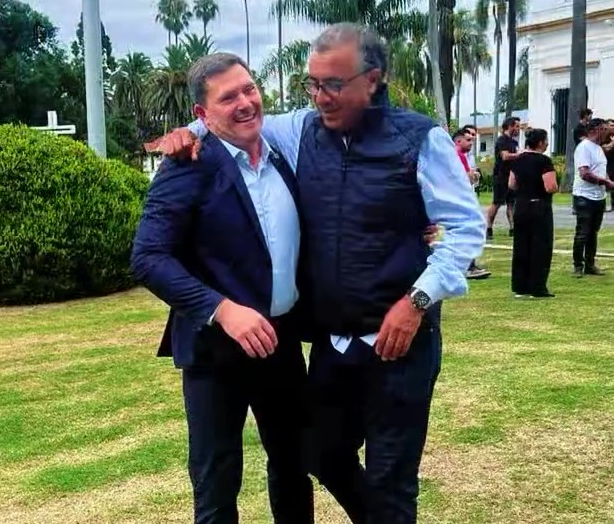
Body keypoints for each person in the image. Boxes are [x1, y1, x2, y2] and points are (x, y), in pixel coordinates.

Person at [158, 23, 486, 524]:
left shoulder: (421, 139)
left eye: (333, 84)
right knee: (320, 454)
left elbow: (465, 228)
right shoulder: (301, 130)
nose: (319, 96)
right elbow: (234, 119)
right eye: (312, 84)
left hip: (399, 342)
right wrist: (190, 132)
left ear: (372, 79)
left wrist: (417, 301)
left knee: (391, 479)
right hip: (333, 345)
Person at [131, 52, 314, 524]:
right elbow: (148, 257)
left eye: (249, 89)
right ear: (203, 113)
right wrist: (223, 309)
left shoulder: (282, 159)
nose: (245, 102)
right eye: (228, 97)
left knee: (294, 469)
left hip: (281, 342)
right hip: (215, 352)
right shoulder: (187, 166)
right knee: (217, 483)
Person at [508, 129, 558, 298]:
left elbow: (512, 184)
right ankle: (537, 286)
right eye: (546, 140)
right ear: (541, 142)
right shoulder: (544, 161)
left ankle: (520, 286)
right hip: (539, 206)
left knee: (521, 246)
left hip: (521, 206)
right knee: (540, 246)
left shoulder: (518, 160)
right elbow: (550, 186)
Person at [572, 118, 614, 278]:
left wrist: (607, 181)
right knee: (582, 232)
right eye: (605, 129)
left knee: (593, 232)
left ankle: (590, 264)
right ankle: (578, 265)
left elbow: (602, 169)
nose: (608, 133)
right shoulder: (584, 147)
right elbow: (584, 173)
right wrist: (605, 182)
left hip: (598, 196)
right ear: (596, 130)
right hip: (584, 196)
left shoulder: (599, 148)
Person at [453, 128, 491, 280]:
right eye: (468, 140)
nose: (471, 143)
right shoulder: (459, 155)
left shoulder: (449, 155)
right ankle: (469, 267)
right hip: (461, 200)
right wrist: (474, 175)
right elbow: (468, 179)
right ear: (458, 141)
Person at [486, 117, 521, 240]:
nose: (518, 129)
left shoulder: (514, 143)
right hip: (501, 176)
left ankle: (513, 228)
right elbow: (505, 156)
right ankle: (488, 228)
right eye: (517, 126)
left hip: (512, 176)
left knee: (511, 203)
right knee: (497, 202)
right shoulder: (502, 141)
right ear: (510, 126)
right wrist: (520, 155)